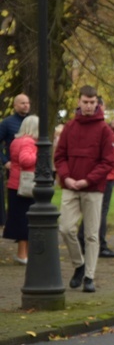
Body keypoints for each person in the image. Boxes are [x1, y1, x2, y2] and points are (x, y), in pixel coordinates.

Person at [54, 85, 114, 293]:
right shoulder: (70, 127)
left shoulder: (105, 130)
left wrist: (88, 180)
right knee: (65, 228)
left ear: (97, 103)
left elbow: (107, 161)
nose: (88, 106)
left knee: (91, 234)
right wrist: (66, 176)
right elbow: (60, 156)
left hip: (92, 188)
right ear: (79, 102)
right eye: (85, 102)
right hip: (70, 185)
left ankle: (89, 276)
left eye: (92, 102)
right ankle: (78, 264)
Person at [77, 97, 114, 259]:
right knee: (100, 211)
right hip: (105, 175)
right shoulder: (103, 128)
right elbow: (109, 154)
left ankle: (84, 239)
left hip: (93, 174)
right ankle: (98, 243)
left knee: (92, 210)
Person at [2, 115, 38, 264]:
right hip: (25, 185)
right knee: (26, 220)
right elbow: (25, 160)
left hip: (15, 184)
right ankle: (23, 254)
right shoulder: (29, 142)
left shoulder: (17, 141)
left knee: (20, 218)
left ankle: (23, 253)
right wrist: (40, 154)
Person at [0, 94, 31, 226]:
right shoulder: (7, 123)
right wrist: (5, 161)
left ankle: (28, 223)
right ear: (15, 105)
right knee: (15, 198)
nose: (26, 105)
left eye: (27, 103)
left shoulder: (33, 122)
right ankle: (15, 224)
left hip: (31, 167)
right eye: (22, 103)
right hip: (14, 167)